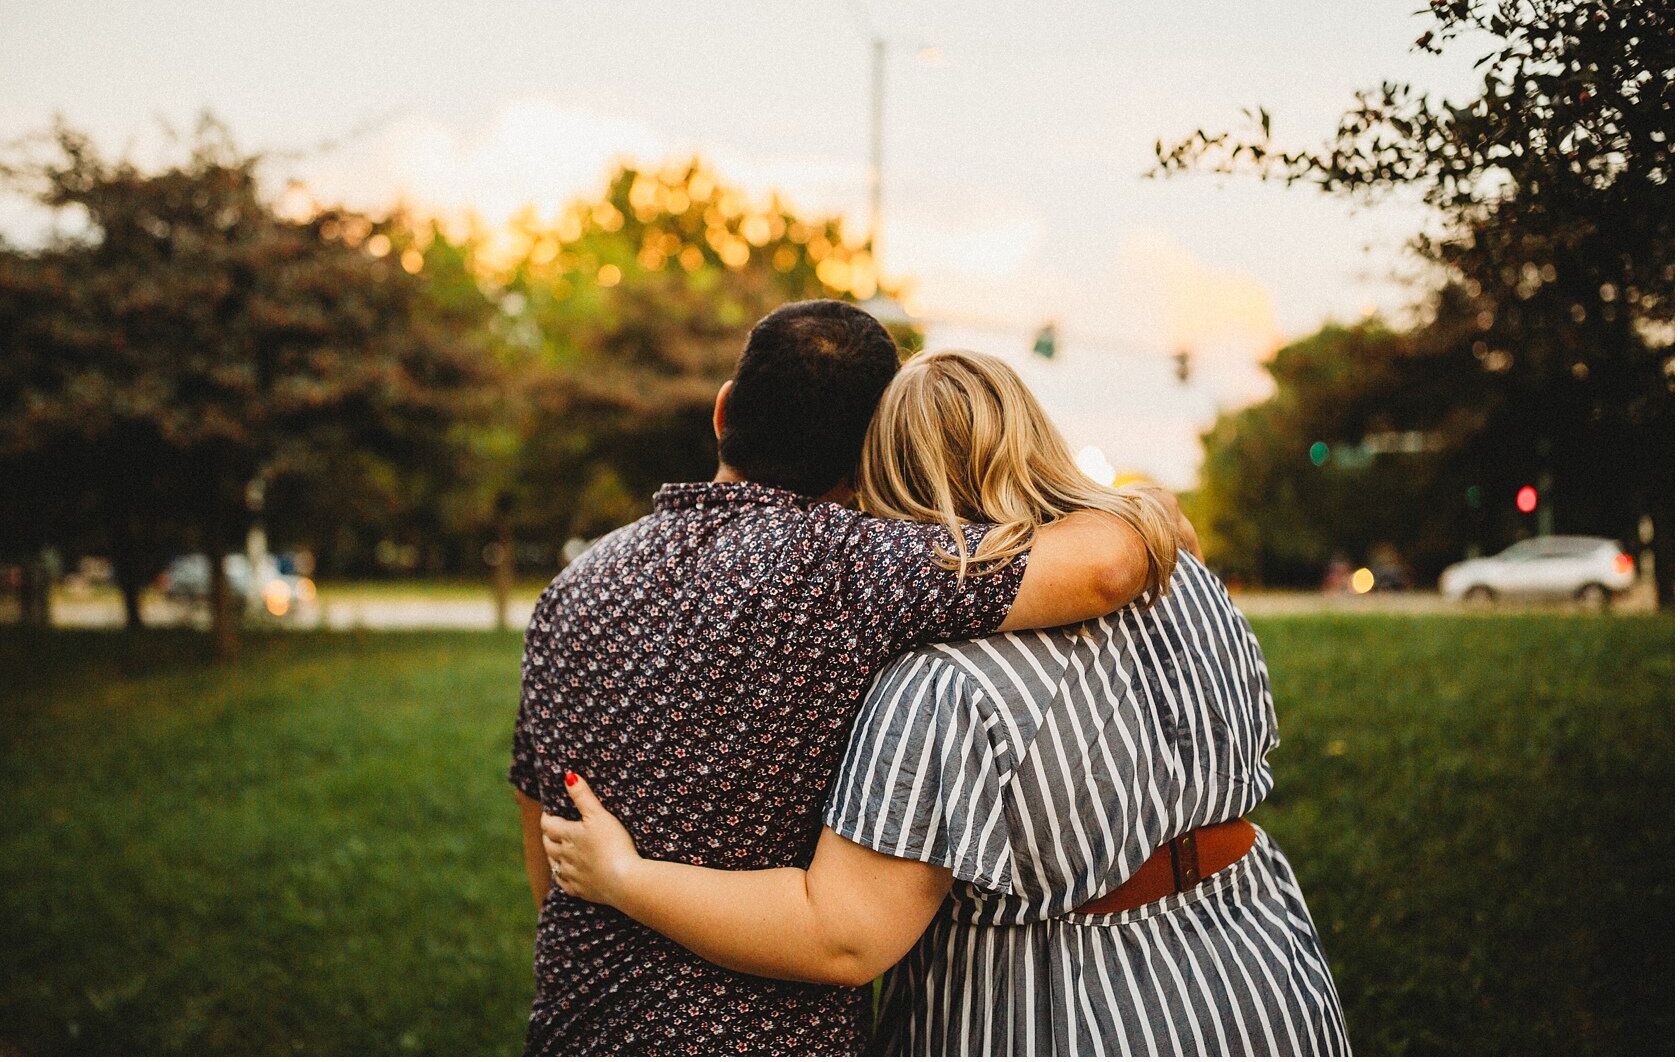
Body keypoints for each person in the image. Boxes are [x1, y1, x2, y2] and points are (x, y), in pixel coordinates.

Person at [543, 349, 1351, 1056]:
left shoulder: (937, 687)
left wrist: (624, 876)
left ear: (879, 480)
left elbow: (843, 938)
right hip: (1261, 965)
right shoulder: (1182, 577)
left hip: (1060, 1009)